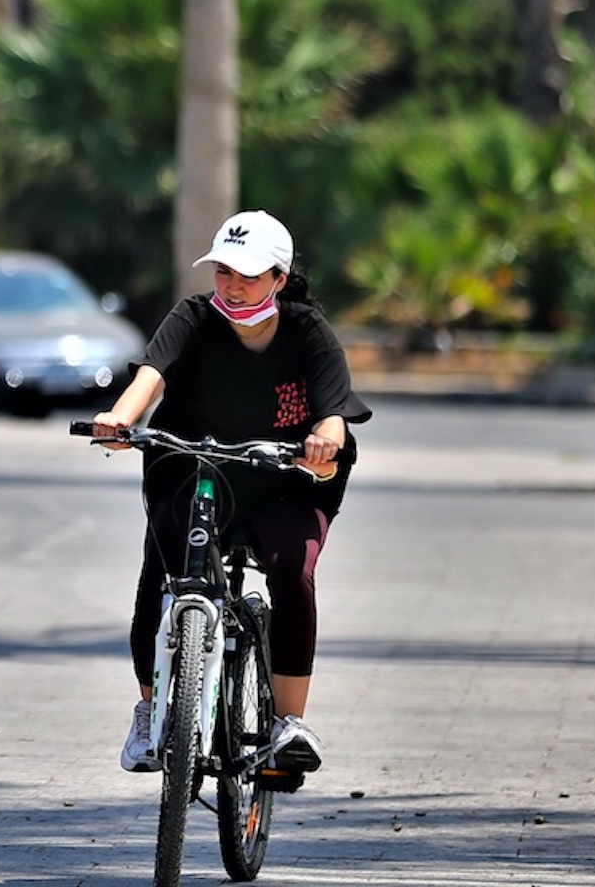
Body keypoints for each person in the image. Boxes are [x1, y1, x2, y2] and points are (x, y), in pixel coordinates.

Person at [90, 209, 370, 776]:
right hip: (194, 468)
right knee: (161, 569)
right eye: (223, 271)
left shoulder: (306, 331)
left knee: (293, 569)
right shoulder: (192, 318)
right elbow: (151, 375)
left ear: (278, 279)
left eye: (248, 273)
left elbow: (334, 408)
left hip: (288, 481)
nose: (233, 285)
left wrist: (323, 438)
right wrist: (117, 420)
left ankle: (288, 723)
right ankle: (149, 713)